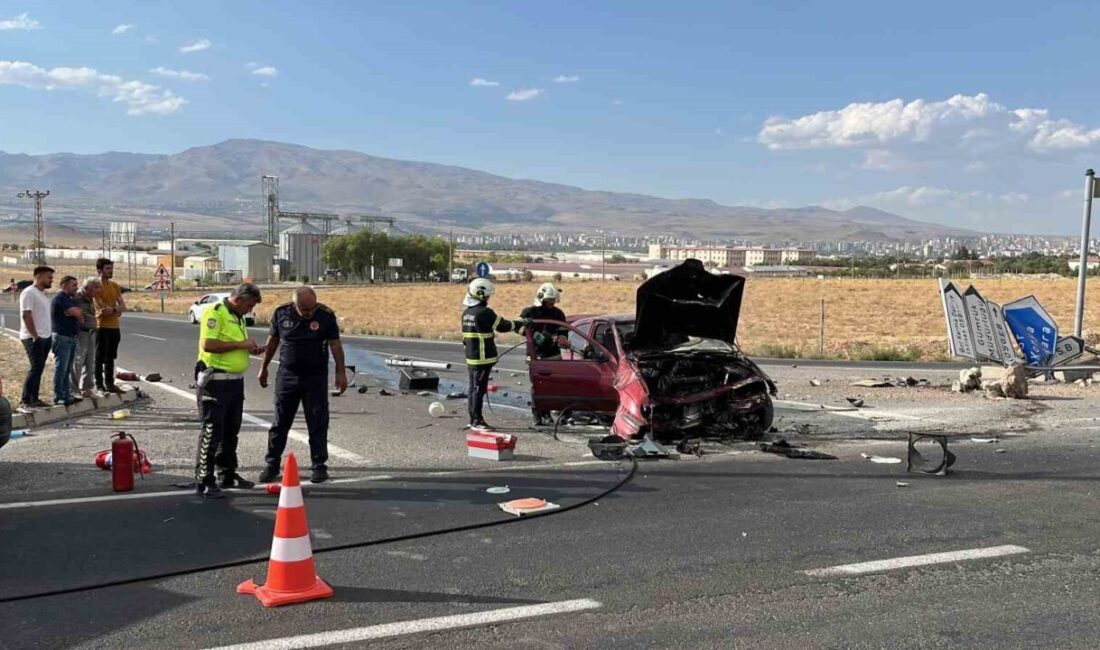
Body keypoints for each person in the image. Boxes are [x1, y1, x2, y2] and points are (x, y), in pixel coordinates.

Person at [257, 286, 347, 484]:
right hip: (287, 376)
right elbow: (272, 342)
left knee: (317, 422)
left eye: (311, 309)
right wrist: (263, 368)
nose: (308, 313)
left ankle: (319, 465)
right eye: (304, 309)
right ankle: (271, 464)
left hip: (315, 377)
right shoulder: (281, 313)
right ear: (294, 304)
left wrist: (341, 372)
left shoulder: (325, 315)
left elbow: (335, 344)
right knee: (280, 423)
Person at [193, 283, 264, 498]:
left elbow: (235, 343)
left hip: (234, 381)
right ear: (239, 299)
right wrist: (242, 344)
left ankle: (227, 472)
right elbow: (209, 344)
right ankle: (204, 479)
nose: (250, 310)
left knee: (231, 431)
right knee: (212, 430)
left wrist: (250, 348)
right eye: (249, 305)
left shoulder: (239, 316)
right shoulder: (215, 312)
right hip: (216, 380)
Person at [461, 278, 527, 432]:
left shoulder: (466, 313)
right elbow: (503, 326)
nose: (488, 298)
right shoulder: (485, 312)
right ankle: (477, 421)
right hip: (482, 358)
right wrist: (521, 323)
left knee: (473, 388)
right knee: (478, 389)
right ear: (481, 294)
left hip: (472, 357)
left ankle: (474, 419)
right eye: (487, 296)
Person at [519, 283, 569, 425]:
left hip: (553, 355)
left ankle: (548, 414)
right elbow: (518, 327)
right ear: (541, 298)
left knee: (552, 386)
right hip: (535, 355)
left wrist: (560, 339)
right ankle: (537, 414)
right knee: (537, 386)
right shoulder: (529, 312)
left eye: (553, 301)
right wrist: (533, 334)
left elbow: (564, 333)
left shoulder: (558, 314)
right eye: (549, 301)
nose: (552, 303)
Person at [18, 266, 54, 410]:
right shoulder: (29, 293)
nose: (51, 280)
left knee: (39, 368)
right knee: (35, 367)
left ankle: (35, 398)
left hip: (46, 336)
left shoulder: (42, 294)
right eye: (49, 277)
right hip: (33, 337)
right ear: (38, 276)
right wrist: (34, 335)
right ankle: (25, 400)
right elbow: (26, 315)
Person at [50, 275, 84, 406]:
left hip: (71, 337)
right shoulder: (60, 298)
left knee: (68, 369)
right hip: (62, 337)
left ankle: (66, 394)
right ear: (64, 285)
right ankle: (59, 396)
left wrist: (77, 312)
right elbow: (75, 313)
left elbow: (79, 314)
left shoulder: (70, 299)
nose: (76, 288)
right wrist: (77, 312)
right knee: (61, 368)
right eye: (73, 285)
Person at [93, 258, 126, 394]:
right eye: (107, 269)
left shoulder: (115, 286)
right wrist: (115, 310)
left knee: (111, 357)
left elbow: (123, 306)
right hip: (101, 326)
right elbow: (102, 308)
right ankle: (99, 385)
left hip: (114, 327)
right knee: (99, 357)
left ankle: (110, 383)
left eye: (111, 268)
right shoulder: (96, 287)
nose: (110, 271)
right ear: (100, 270)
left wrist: (114, 310)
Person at [72, 277, 101, 398]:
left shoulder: (92, 299)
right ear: (87, 288)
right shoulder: (76, 298)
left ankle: (87, 388)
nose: (98, 291)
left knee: (90, 361)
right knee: (78, 361)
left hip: (91, 332)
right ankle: (74, 390)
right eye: (96, 288)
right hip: (81, 333)